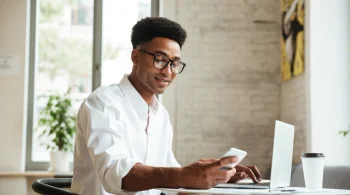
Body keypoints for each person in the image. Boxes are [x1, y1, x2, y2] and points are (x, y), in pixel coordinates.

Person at [71, 17, 261, 195]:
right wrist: (186, 175)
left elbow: (169, 174)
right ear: (136, 57)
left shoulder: (160, 114)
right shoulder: (103, 103)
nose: (168, 72)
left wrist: (217, 175)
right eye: (160, 60)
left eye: (175, 63)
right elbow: (114, 173)